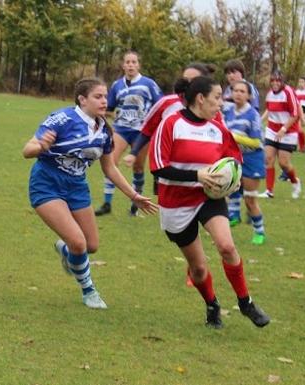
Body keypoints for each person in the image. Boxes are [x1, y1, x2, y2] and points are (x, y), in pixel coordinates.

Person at [23, 77, 157, 309]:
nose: (104, 101)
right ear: (82, 99)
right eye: (98, 96)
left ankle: (65, 250)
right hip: (47, 184)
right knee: (78, 242)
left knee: (91, 245)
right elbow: (27, 150)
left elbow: (110, 168)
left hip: (76, 187)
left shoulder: (104, 129)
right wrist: (41, 147)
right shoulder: (62, 119)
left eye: (105, 96)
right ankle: (89, 291)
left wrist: (133, 195)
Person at [149, 76, 270, 329]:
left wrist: (233, 178)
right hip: (175, 204)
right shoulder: (171, 124)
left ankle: (246, 302)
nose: (221, 103)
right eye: (217, 97)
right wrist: (197, 175)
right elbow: (159, 168)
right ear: (200, 99)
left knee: (227, 246)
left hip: (208, 197)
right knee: (199, 270)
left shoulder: (218, 127)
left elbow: (233, 159)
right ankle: (212, 303)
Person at [95, 51, 162, 216]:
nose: (131, 65)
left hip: (142, 131)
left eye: (134, 62)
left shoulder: (148, 84)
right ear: (123, 65)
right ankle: (107, 203)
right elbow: (108, 109)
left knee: (138, 167)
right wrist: (111, 114)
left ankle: (135, 204)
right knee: (111, 162)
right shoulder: (117, 85)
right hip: (121, 129)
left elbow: (160, 105)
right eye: (127, 62)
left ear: (138, 65)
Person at [223, 80, 266, 245]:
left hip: (252, 158)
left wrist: (236, 138)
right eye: (235, 90)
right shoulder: (228, 112)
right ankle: (234, 215)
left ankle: (259, 231)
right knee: (229, 186)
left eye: (242, 91)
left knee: (250, 200)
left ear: (249, 96)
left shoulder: (253, 115)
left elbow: (256, 142)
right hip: (235, 157)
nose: (238, 94)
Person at [260, 70, 302, 199]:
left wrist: (284, 129)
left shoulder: (288, 92)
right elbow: (269, 110)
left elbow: (295, 114)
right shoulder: (269, 95)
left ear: (282, 82)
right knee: (268, 159)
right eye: (272, 80)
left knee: (283, 163)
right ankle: (269, 191)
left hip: (288, 132)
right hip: (272, 130)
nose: (275, 83)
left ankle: (295, 181)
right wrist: (260, 120)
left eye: (278, 80)